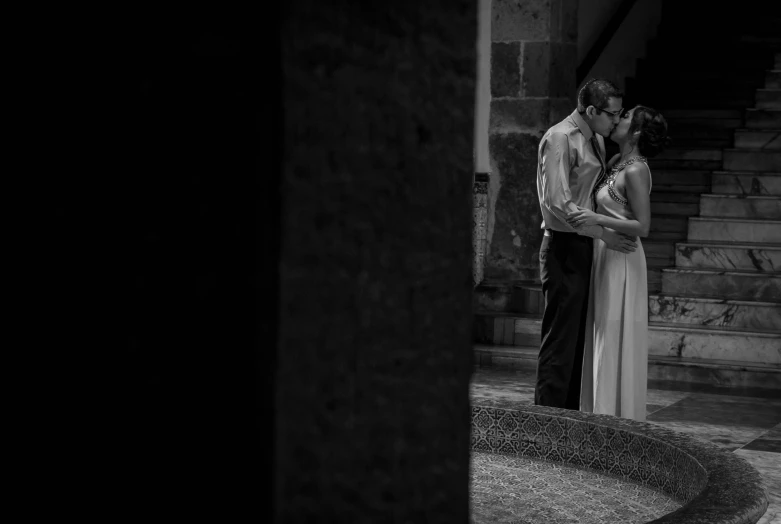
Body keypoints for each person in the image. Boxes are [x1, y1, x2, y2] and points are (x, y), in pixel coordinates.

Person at [535, 79, 637, 410]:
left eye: (620, 114)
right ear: (591, 110)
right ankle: (546, 422)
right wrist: (604, 233)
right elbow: (558, 204)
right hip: (563, 246)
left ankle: (568, 419)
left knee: (578, 341)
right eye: (612, 113)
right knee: (560, 340)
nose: (616, 120)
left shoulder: (596, 138)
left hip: (583, 247)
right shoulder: (560, 138)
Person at [567, 105, 670, 421]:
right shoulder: (615, 162)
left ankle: (616, 417)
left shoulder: (637, 170)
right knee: (600, 330)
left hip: (623, 259)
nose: (617, 120)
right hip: (604, 254)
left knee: (614, 332)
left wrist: (597, 217)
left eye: (625, 117)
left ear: (636, 131)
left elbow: (644, 226)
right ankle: (597, 411)